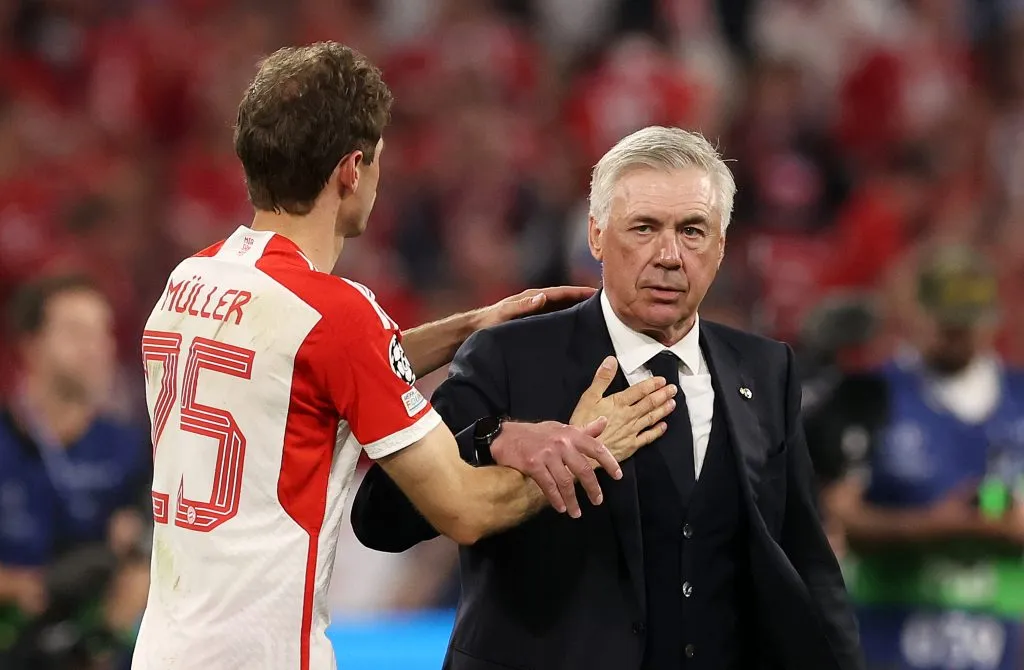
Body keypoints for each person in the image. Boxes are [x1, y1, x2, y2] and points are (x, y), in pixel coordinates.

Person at [131, 42, 676, 670]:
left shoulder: (193, 279)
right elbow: (466, 510)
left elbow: (299, 370)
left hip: (165, 648)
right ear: (351, 170)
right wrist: (583, 440)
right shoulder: (337, 315)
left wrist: (469, 326)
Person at [351, 126, 863, 670]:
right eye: (644, 228)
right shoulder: (511, 356)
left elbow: (806, 560)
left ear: (721, 246)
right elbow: (381, 518)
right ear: (596, 236)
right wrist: (492, 440)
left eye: (693, 231)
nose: (669, 255)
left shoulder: (765, 369)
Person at [828, 246, 1024, 670]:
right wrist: (933, 525)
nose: (959, 334)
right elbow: (839, 514)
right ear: (917, 313)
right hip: (887, 629)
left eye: (970, 321)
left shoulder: (1020, 400)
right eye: (948, 321)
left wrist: (1010, 524)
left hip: (1000, 636)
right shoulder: (869, 393)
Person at [0, 274, 151, 669]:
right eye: (75, 332)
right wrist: (22, 588)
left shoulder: (132, 450)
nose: (95, 349)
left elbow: (154, 563)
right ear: (30, 345)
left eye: (102, 334)